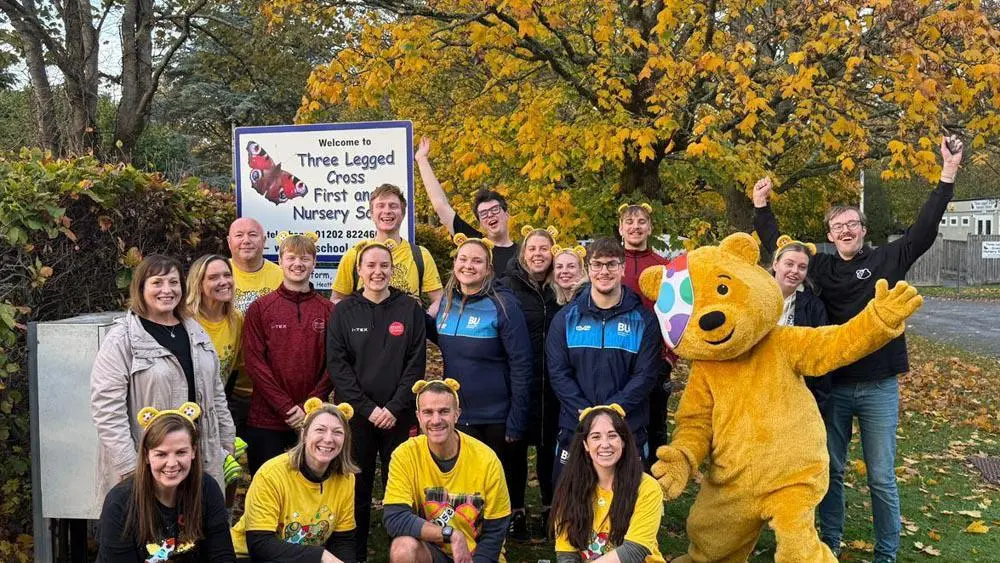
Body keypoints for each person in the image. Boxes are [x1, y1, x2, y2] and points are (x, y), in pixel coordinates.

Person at [751, 135, 964, 562]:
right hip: (834, 386)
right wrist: (761, 206)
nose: (845, 230)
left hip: (879, 386)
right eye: (837, 226)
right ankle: (830, 544)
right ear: (829, 235)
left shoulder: (888, 258)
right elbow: (782, 247)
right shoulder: (823, 267)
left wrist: (948, 174)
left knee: (882, 477)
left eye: (852, 224)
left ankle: (886, 552)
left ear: (863, 231)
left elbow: (924, 229)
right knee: (830, 470)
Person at [91, 254, 236, 500]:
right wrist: (129, 465)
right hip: (149, 464)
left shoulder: (195, 331)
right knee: (150, 535)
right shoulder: (122, 339)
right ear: (141, 288)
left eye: (173, 282)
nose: (167, 290)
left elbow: (216, 393)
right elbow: (107, 409)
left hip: (199, 459)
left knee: (198, 530)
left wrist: (226, 442)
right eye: (157, 283)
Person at [327, 241, 428, 562]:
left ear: (392, 269)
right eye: (370, 265)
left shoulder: (409, 309)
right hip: (357, 417)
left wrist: (395, 406)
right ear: (358, 270)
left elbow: (416, 363)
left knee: (401, 487)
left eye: (384, 265)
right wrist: (369, 410)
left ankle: (402, 548)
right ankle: (353, 551)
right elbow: (338, 367)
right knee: (356, 486)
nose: (377, 272)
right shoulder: (344, 311)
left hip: (400, 415)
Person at [546, 237, 663, 487]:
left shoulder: (644, 320)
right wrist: (587, 414)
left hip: (627, 426)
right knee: (571, 506)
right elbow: (558, 373)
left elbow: (646, 375)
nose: (604, 271)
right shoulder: (565, 318)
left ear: (622, 268)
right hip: (576, 426)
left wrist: (614, 412)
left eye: (611, 264)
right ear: (588, 269)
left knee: (626, 509)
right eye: (597, 264)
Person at [429, 234, 533, 497]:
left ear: (488, 268)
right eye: (463, 259)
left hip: (496, 416)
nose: (468, 265)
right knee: (466, 487)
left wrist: (518, 418)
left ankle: (504, 531)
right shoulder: (445, 303)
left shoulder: (503, 304)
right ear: (455, 264)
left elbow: (521, 364)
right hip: (459, 414)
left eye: (477, 261)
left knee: (497, 485)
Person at [383, 379, 511, 563]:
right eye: (428, 412)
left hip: (476, 555)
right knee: (403, 548)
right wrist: (451, 534)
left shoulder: (486, 459)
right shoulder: (405, 455)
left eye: (444, 411)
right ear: (418, 417)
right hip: (434, 550)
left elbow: (496, 531)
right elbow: (395, 518)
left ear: (456, 415)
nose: (436, 420)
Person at [242, 232, 334, 474]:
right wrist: (285, 407)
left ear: (314, 263)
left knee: (310, 486)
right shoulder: (260, 308)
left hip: (313, 418)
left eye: (305, 258)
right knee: (266, 487)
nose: (298, 264)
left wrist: (308, 407)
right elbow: (254, 363)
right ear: (280, 261)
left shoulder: (329, 311)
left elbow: (334, 363)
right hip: (266, 418)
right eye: (291, 257)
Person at [97, 403, 235, 562]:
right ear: (147, 455)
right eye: (161, 454)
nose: (171, 463)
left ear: (193, 451)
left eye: (181, 452)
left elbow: (222, 555)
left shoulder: (207, 487)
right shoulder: (120, 502)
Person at [231, 399, 358, 563]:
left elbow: (343, 541)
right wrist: (320, 555)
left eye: (337, 432)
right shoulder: (271, 474)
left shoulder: (346, 478)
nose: (328, 439)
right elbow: (260, 544)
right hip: (247, 556)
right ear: (304, 434)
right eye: (320, 429)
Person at [499, 225, 561, 540]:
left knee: (551, 449)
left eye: (544, 248)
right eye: (532, 249)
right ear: (523, 254)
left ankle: (552, 509)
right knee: (515, 450)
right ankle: (516, 512)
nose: (538, 254)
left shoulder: (561, 287)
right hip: (519, 382)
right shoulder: (507, 287)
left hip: (554, 384)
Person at [551, 405, 665, 563]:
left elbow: (634, 552)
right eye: (596, 437)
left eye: (612, 436)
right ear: (585, 445)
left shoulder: (646, 487)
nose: (605, 444)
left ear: (623, 441)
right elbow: (566, 554)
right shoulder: (570, 487)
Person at [617, 203, 676, 469]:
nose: (635, 227)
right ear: (621, 228)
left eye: (641, 222)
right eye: (629, 222)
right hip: (618, 355)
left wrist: (670, 356)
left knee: (655, 423)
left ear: (650, 228)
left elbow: (676, 313)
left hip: (655, 358)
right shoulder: (612, 265)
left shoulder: (665, 268)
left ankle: (656, 481)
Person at [331, 183, 444, 315]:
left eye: (393, 206)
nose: (387, 211)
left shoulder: (420, 255)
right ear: (372, 214)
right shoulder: (355, 254)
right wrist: (355, 316)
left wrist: (423, 320)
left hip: (406, 334)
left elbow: (439, 300)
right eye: (380, 206)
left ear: (402, 214)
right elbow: (336, 299)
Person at [415, 137, 518, 276]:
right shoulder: (474, 243)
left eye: (494, 210)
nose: (490, 215)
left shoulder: (525, 254)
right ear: (480, 223)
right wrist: (422, 160)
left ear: (506, 214)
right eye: (484, 214)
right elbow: (441, 206)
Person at [227, 217, 284, 434]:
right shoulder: (219, 275)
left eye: (253, 235)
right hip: (230, 389)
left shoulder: (281, 275)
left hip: (272, 390)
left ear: (264, 240)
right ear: (229, 241)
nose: (246, 241)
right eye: (239, 235)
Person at [770, 236, 832, 413]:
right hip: (756, 392)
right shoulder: (754, 299)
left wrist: (818, 406)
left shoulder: (814, 307)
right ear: (776, 265)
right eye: (789, 264)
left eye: (802, 267)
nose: (795, 271)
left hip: (797, 397)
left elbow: (821, 356)